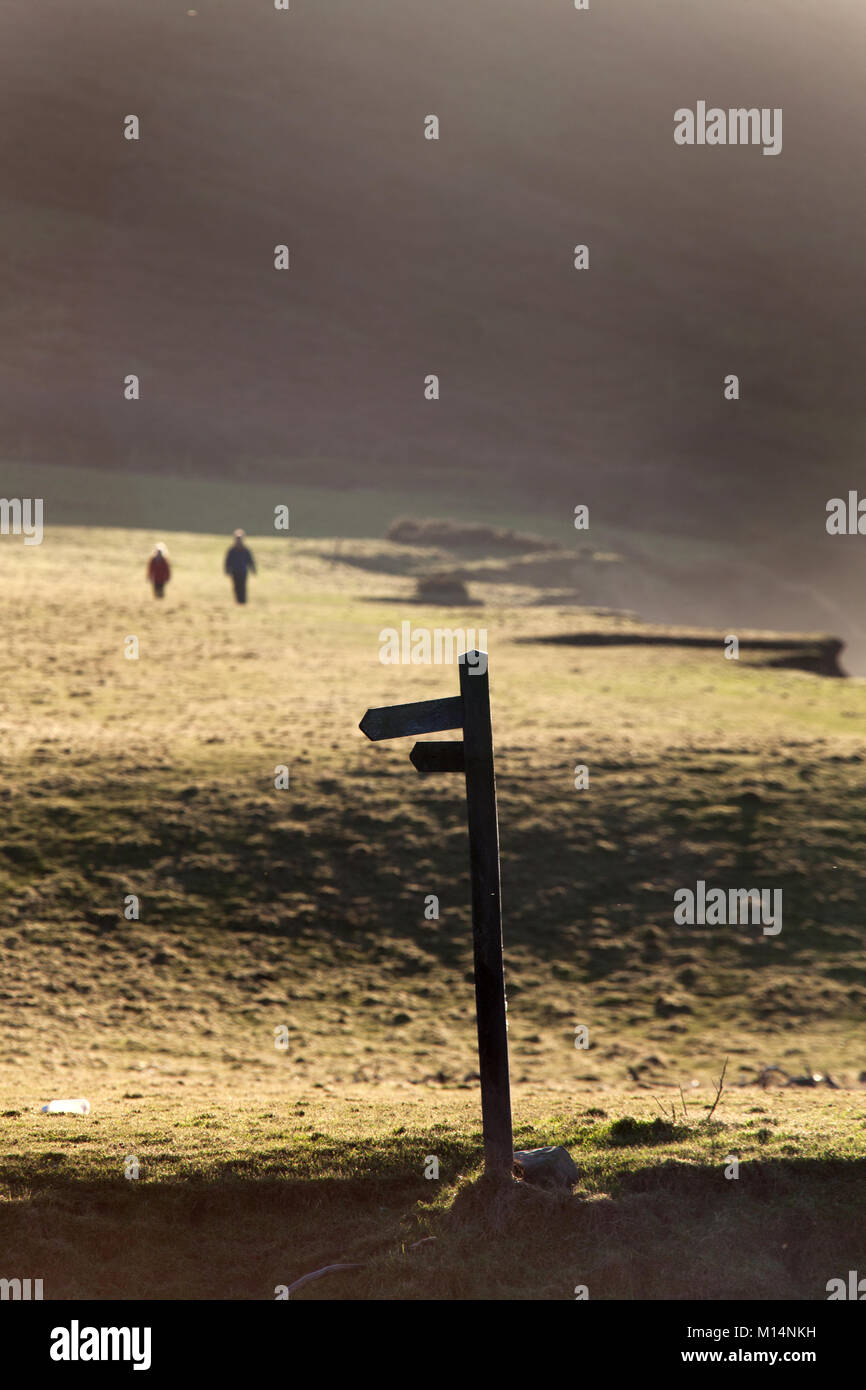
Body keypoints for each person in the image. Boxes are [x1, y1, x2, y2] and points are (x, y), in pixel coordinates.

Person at [225, 528, 256, 604]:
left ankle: (243, 601)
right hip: (235, 572)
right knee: (236, 587)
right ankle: (238, 601)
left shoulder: (246, 550)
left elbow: (250, 560)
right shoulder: (232, 550)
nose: (239, 541)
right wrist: (227, 570)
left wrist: (253, 569)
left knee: (242, 587)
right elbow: (228, 561)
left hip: (243, 572)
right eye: (237, 539)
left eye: (240, 539)